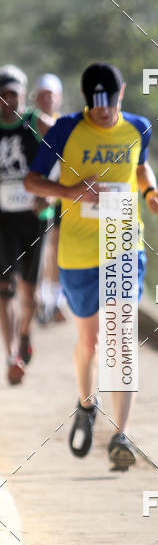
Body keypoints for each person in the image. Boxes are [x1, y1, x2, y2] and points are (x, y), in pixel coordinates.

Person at [25, 63, 158, 470]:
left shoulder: (139, 127)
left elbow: (140, 166)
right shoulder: (66, 129)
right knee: (90, 342)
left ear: (121, 94)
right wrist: (69, 192)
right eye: (96, 106)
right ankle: (87, 403)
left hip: (122, 238)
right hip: (76, 250)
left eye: (110, 105)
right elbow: (32, 181)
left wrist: (151, 193)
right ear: (87, 100)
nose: (104, 113)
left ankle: (122, 435)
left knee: (121, 339)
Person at [0, 66, 53, 384]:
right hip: (2, 221)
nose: (8, 101)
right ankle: (11, 356)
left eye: (13, 95)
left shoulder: (39, 124)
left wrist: (49, 192)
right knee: (4, 290)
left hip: (34, 219)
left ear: (24, 95)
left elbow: (66, 156)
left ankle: (24, 333)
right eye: (2, 95)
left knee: (29, 295)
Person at [33, 73, 66, 324]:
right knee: (38, 249)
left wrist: (53, 194)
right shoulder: (28, 125)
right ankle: (38, 299)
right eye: (42, 95)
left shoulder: (66, 128)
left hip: (59, 196)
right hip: (32, 196)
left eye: (51, 95)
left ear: (59, 99)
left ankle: (51, 301)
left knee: (55, 248)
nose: (47, 100)